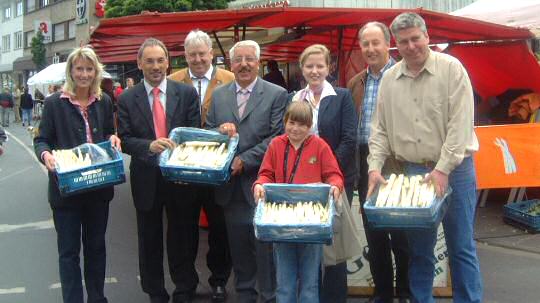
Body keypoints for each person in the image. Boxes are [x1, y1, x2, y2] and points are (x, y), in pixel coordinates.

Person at [367, 13, 482, 303]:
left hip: (456, 170)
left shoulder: (452, 69)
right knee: (420, 250)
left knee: (461, 246)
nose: (411, 46)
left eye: (416, 38)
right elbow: (378, 130)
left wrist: (443, 168)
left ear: (427, 37)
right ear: (396, 45)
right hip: (414, 173)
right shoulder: (390, 79)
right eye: (403, 41)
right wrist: (374, 167)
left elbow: (460, 125)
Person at [33, 47, 121, 303]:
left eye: (89, 69)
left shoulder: (104, 100)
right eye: (79, 68)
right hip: (67, 191)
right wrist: (46, 155)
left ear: (96, 72)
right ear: (71, 71)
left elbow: (107, 132)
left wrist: (112, 137)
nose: (84, 74)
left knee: (96, 248)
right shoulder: (53, 103)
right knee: (69, 252)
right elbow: (42, 140)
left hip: (98, 187)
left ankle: (97, 298)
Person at [117, 38, 201, 303]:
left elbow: (193, 134)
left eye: (160, 60)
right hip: (146, 178)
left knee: (182, 237)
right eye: (149, 61)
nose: (156, 66)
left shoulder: (186, 93)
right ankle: (155, 292)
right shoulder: (127, 98)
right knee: (149, 240)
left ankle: (185, 288)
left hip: (179, 178)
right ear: (139, 63)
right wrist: (148, 146)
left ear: (168, 62)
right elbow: (125, 139)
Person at [205, 40, 288, 303]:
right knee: (238, 248)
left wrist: (244, 160)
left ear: (259, 62)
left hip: (261, 183)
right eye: (238, 59)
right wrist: (218, 132)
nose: (244, 64)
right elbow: (207, 133)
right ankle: (245, 295)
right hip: (230, 187)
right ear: (231, 64)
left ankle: (269, 296)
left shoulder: (276, 94)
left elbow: (277, 138)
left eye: (249, 59)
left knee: (265, 248)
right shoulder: (218, 95)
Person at [253, 101, 344, 303]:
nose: (296, 128)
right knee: (284, 283)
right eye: (292, 123)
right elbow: (265, 174)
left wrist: (335, 186)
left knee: (310, 282)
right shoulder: (276, 144)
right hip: (281, 221)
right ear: (285, 122)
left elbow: (334, 175)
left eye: (302, 124)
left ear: (310, 125)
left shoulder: (320, 146)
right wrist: (259, 185)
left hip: (312, 223)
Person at [168, 29, 234, 303]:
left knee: (220, 228)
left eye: (202, 54)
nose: (197, 59)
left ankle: (219, 281)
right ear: (185, 56)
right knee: (184, 229)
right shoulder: (173, 81)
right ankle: (185, 284)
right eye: (192, 54)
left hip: (217, 168)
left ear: (212, 54)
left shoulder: (228, 79)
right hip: (184, 169)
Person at [347, 22, 409, 303]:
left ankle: (406, 291)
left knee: (402, 234)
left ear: (388, 44)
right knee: (375, 233)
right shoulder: (356, 82)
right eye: (365, 44)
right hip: (365, 162)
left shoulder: (405, 76)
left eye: (376, 43)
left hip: (398, 164)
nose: (370, 49)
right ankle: (382, 292)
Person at [290, 44, 357, 303]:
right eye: (309, 66)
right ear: (302, 69)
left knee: (333, 242)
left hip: (335, 180)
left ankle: (335, 297)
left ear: (328, 68)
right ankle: (311, 296)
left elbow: (349, 139)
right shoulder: (295, 99)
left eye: (320, 66)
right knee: (308, 243)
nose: (315, 71)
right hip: (303, 183)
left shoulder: (341, 96)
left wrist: (327, 171)